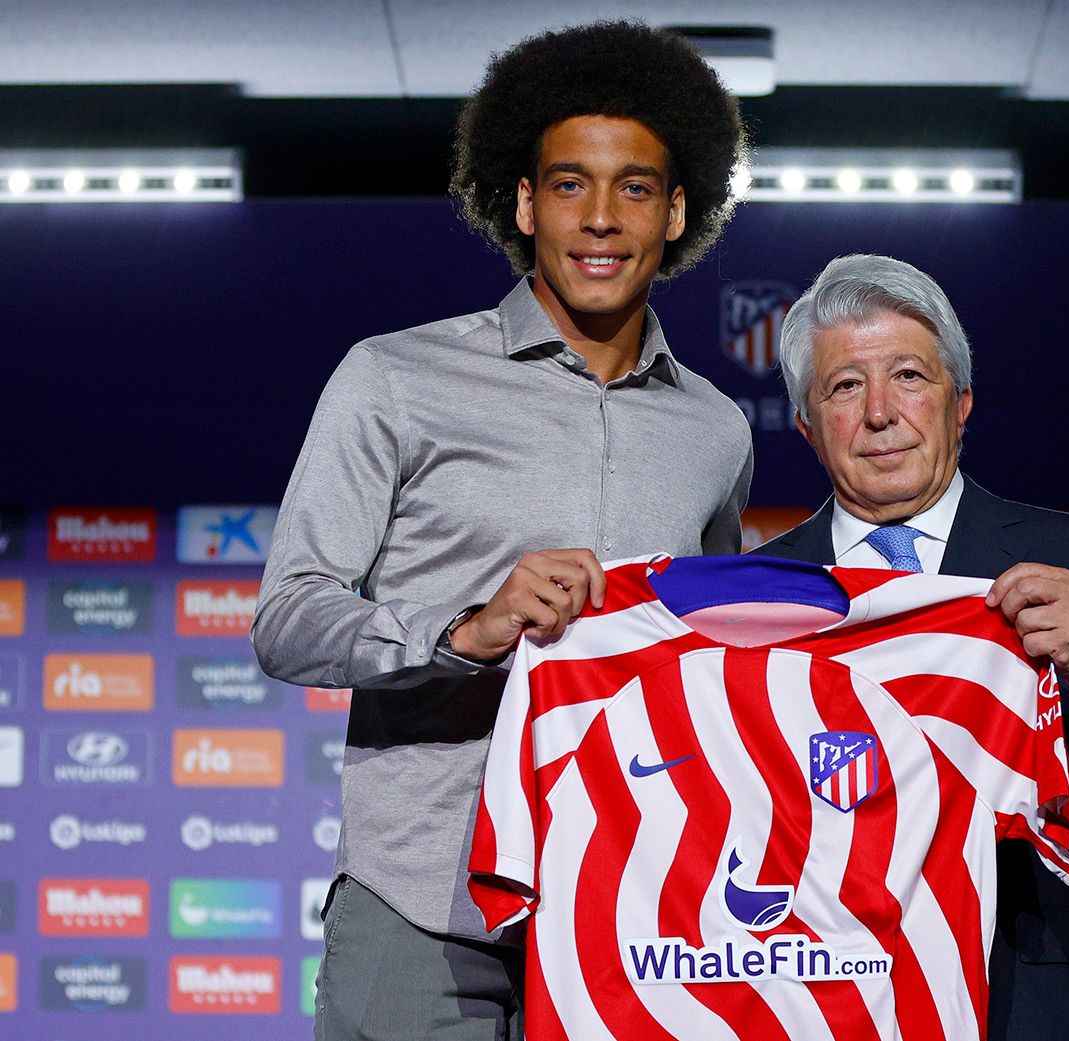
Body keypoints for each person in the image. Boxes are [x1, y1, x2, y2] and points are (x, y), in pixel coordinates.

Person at [252, 21, 752, 1040]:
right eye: (569, 184)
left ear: (676, 211)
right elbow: (288, 621)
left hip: (636, 906)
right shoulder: (393, 377)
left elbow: (715, 654)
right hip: (424, 905)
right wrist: (466, 629)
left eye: (634, 188)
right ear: (523, 203)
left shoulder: (715, 428)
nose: (600, 217)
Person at [753, 254, 1069, 1041]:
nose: (879, 413)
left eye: (907, 376)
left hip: (1022, 1000)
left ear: (959, 401)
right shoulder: (753, 595)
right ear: (806, 424)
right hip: (816, 994)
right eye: (844, 386)